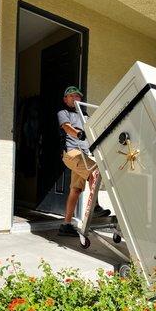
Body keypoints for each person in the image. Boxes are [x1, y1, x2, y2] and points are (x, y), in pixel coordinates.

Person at [57, 86, 110, 237]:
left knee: (76, 189)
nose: (75, 98)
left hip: (83, 154)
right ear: (65, 99)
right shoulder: (64, 112)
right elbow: (67, 127)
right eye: (71, 96)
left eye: (77, 96)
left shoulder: (85, 115)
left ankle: (66, 225)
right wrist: (79, 134)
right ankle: (96, 207)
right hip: (72, 153)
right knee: (95, 171)